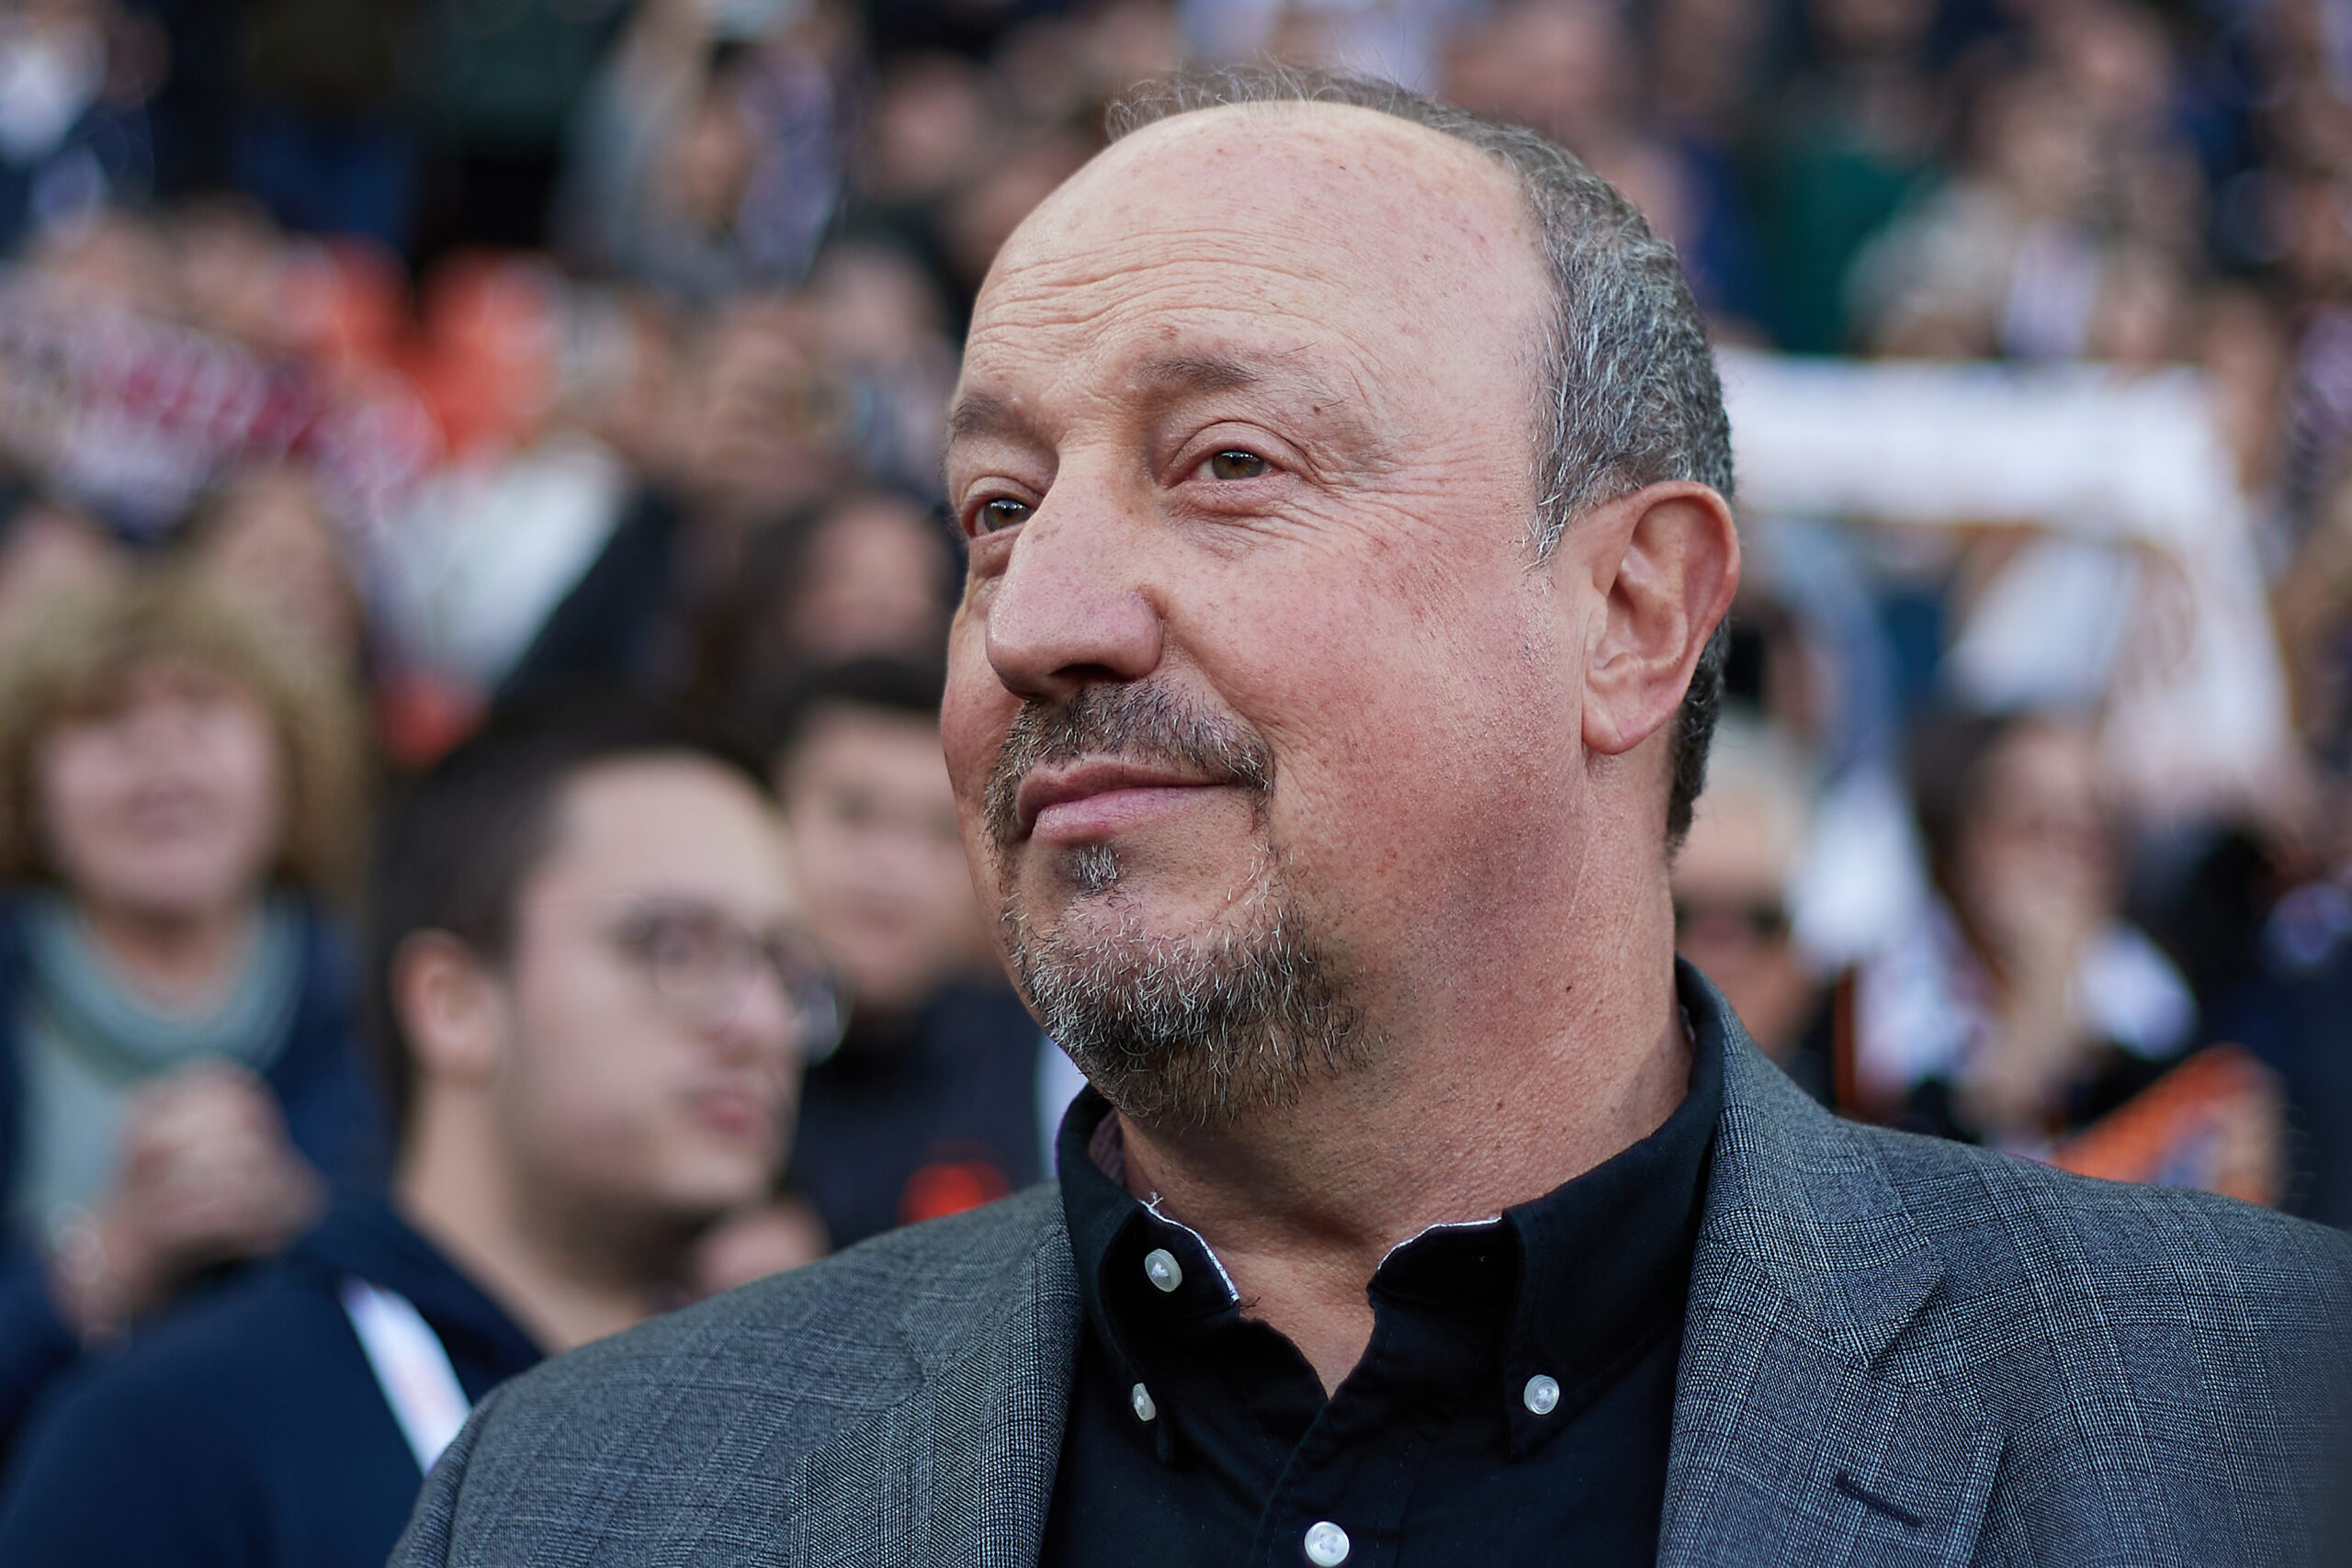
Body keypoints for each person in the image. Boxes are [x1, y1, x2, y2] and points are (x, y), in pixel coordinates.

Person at [393, 69, 2352, 1568]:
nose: (1039, 618)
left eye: (1224, 463)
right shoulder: (577, 1505)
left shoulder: (2258, 1420)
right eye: (993, 510)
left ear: (1629, 610)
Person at [0, 697, 838, 1566]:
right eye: (675, 946)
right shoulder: (174, 1440)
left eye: (787, 970)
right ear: (452, 1002)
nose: (760, 1022)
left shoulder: (797, 1445)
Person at [0, 577, 380, 1449]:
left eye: (203, 710)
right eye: (102, 720)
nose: (159, 755)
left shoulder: (387, 1009)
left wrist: (304, 1228)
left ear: (289, 761)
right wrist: (108, 1263)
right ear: (29, 784)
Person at [775, 657, 1076, 1250]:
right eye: (855, 813)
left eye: (941, 831)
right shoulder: (680, 1041)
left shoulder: (1061, 1067)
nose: (893, 867)